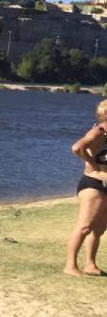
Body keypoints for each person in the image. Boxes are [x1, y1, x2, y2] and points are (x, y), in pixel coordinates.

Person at [65, 99, 107, 277]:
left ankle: (90, 264)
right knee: (84, 227)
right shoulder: (98, 131)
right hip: (93, 184)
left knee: (98, 230)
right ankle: (70, 266)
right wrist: (93, 165)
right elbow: (77, 147)